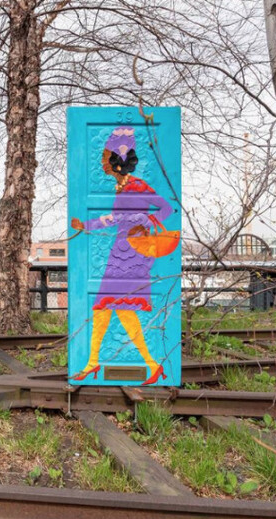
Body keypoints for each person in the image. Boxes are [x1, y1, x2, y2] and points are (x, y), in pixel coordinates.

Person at [70, 126, 174, 385]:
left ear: (117, 163)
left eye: (106, 158)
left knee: (115, 308)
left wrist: (146, 222)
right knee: (106, 307)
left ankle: (146, 365)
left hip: (133, 257)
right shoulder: (123, 188)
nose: (102, 163)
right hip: (120, 254)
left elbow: (167, 207)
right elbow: (115, 218)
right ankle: (104, 363)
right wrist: (86, 226)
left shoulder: (137, 186)